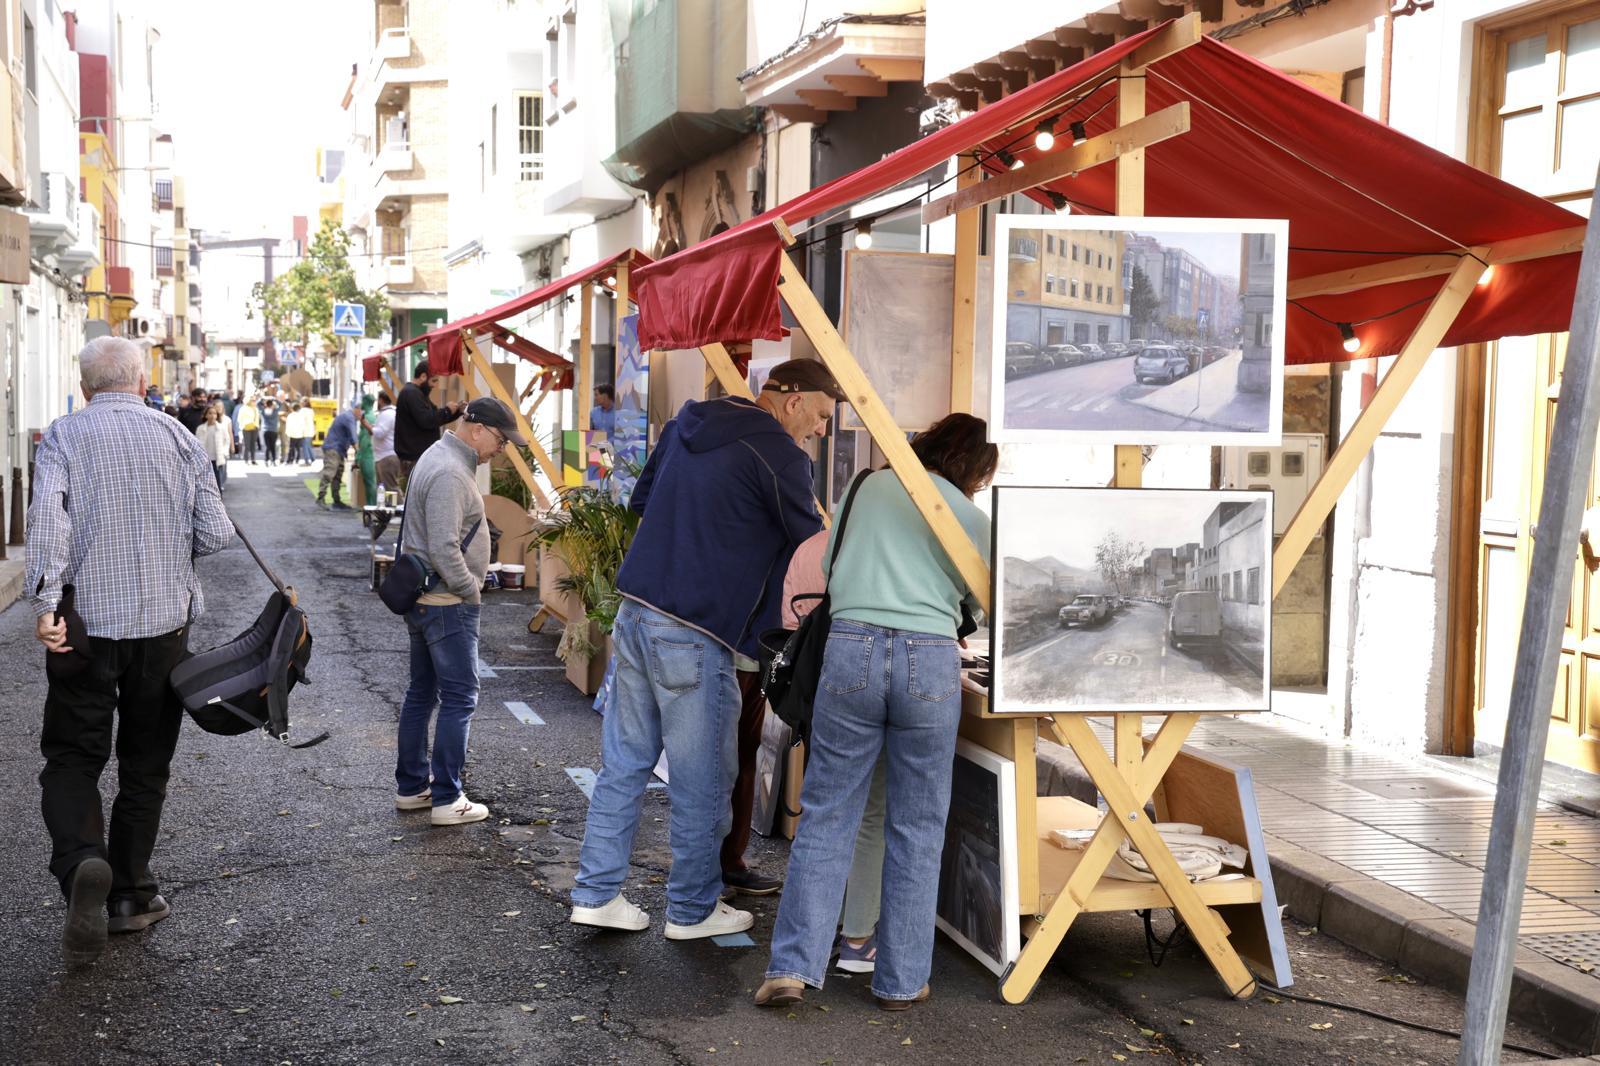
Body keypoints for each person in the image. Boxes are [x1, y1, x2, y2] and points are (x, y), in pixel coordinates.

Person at [569, 360, 843, 942]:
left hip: (637, 606)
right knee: (703, 780)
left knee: (624, 765)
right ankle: (692, 909)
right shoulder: (780, 454)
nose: (821, 429)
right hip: (696, 631)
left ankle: (596, 895)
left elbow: (642, 501)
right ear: (791, 401)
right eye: (820, 415)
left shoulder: (688, 421)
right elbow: (814, 546)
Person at [756, 413, 996, 1011]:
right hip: (930, 660)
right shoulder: (971, 519)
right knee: (917, 826)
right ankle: (901, 979)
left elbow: (834, 571)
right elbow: (980, 601)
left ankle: (790, 968)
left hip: (851, 649)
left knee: (827, 814)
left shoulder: (865, 486)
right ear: (970, 468)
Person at [26, 336, 233, 968]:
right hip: (163, 629)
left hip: (84, 628)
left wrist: (46, 605)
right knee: (145, 763)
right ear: (142, 381)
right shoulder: (176, 436)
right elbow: (215, 532)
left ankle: (84, 863)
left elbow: (48, 523)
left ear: (86, 386)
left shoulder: (63, 436)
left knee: (72, 756)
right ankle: (131, 895)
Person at [394, 396, 527, 827]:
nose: (501, 449)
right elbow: (444, 547)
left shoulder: (439, 455)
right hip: (446, 603)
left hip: (426, 598)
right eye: (501, 440)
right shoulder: (452, 472)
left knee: (422, 693)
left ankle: (413, 787)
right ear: (477, 429)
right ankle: (448, 798)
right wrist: (471, 588)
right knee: (458, 697)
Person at [395, 360, 463, 481]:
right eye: (433, 380)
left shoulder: (417, 393)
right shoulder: (411, 393)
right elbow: (427, 420)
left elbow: (434, 418)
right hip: (416, 459)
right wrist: (447, 410)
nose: (434, 385)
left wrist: (457, 412)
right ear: (423, 376)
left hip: (419, 458)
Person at [317, 403, 359, 511]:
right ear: (357, 409)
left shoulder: (348, 416)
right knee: (330, 473)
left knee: (338, 475)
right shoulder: (349, 417)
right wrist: (358, 451)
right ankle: (321, 498)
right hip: (334, 447)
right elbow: (353, 437)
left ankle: (337, 500)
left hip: (339, 449)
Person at [364, 391, 401, 494]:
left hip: (386, 457)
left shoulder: (387, 414)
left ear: (381, 400)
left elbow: (379, 433)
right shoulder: (389, 413)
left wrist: (365, 423)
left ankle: (402, 509)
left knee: (391, 490)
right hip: (384, 456)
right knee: (384, 491)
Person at [197, 402, 232, 494]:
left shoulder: (221, 428)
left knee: (218, 480)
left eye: (215, 413)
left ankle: (219, 498)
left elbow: (226, 440)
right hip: (205, 459)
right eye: (210, 413)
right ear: (205, 415)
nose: (212, 415)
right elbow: (197, 442)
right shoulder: (200, 429)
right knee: (206, 481)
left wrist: (225, 452)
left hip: (218, 458)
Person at [285, 401, 313, 468]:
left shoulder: (290, 416)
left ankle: (290, 460)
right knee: (298, 448)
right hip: (300, 434)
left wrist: (287, 433)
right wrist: (303, 432)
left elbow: (288, 425)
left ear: (292, 408)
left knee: (291, 448)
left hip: (292, 434)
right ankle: (297, 459)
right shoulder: (301, 416)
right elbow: (303, 425)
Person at [238, 395, 260, 464]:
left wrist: (257, 426)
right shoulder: (243, 408)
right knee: (247, 444)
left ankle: (253, 459)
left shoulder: (256, 408)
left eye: (254, 400)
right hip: (246, 428)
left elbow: (257, 418)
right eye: (252, 400)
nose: (253, 401)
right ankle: (246, 459)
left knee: (253, 444)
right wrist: (243, 425)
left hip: (254, 428)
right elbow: (240, 419)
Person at [259, 397, 281, 465]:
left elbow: (258, 404)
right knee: (273, 446)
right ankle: (274, 460)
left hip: (266, 430)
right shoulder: (275, 411)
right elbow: (280, 404)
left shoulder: (263, 411)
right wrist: (275, 399)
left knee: (267, 446)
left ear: (266, 404)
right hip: (274, 430)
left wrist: (262, 399)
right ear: (272, 405)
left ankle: (266, 460)